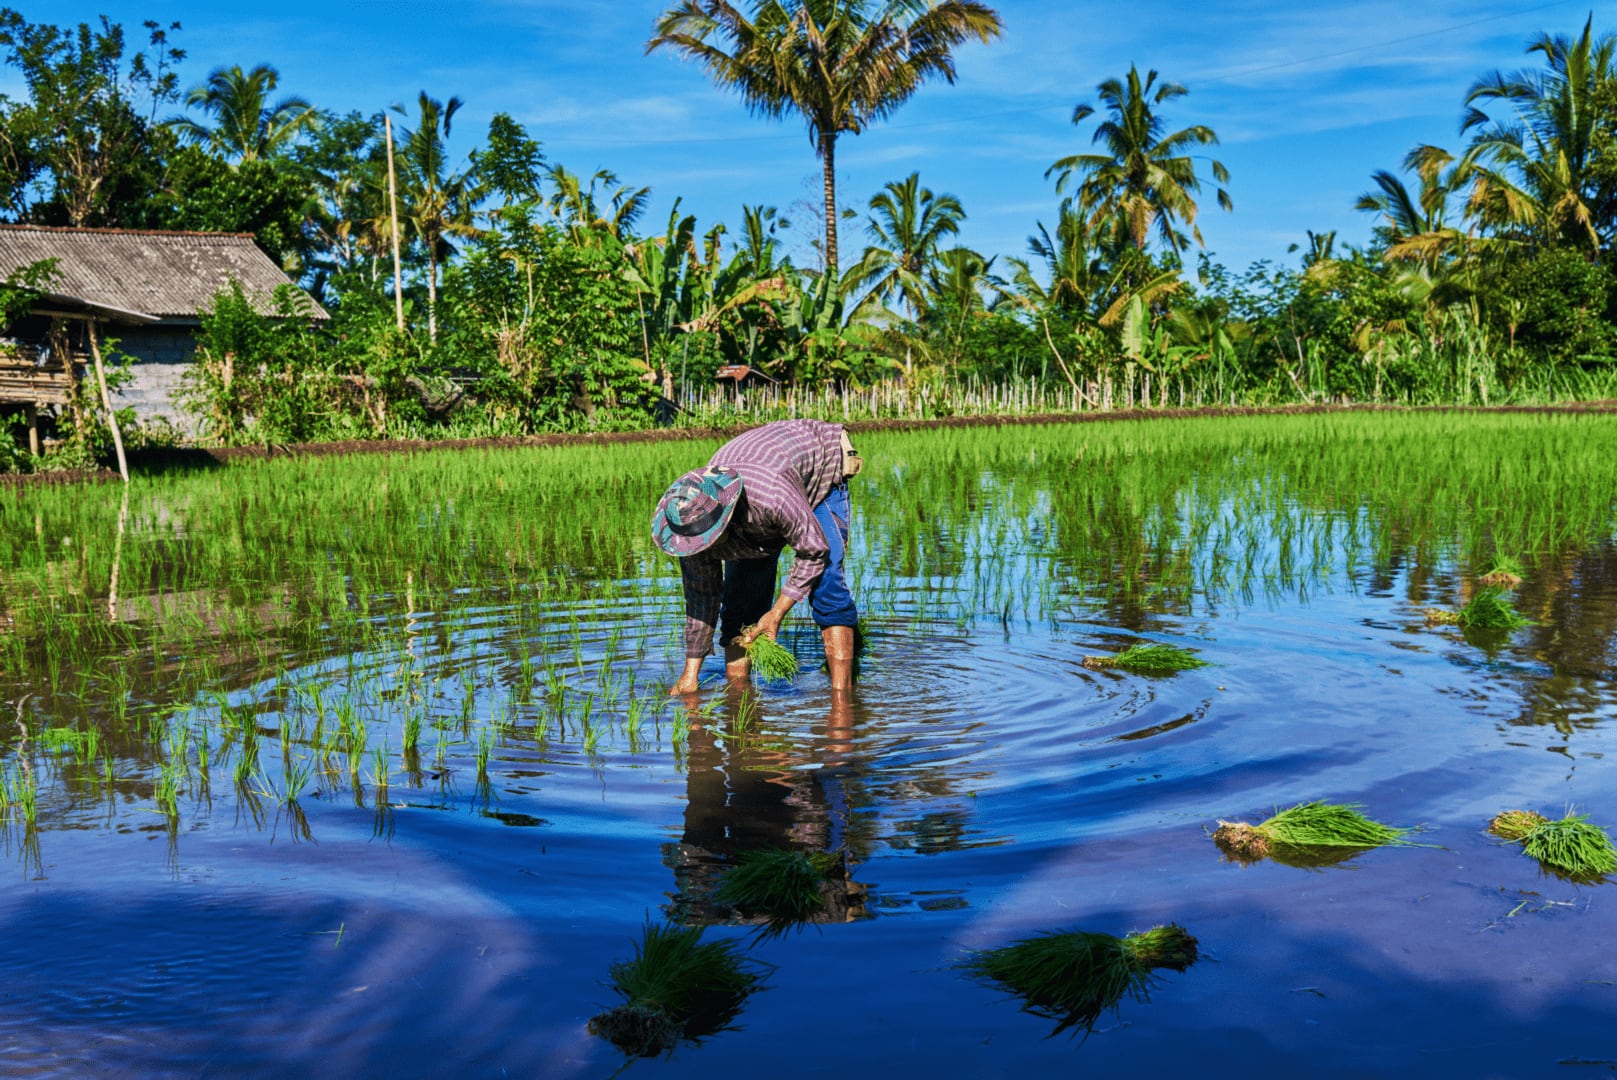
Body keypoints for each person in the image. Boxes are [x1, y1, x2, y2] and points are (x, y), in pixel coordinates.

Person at [651, 418, 862, 694]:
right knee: (740, 603)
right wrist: (690, 676)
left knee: (826, 581)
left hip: (819, 466)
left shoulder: (770, 496)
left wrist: (776, 613)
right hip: (766, 478)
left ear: (725, 523)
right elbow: (701, 597)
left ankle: (841, 702)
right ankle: (740, 698)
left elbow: (814, 549)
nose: (705, 552)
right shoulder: (690, 526)